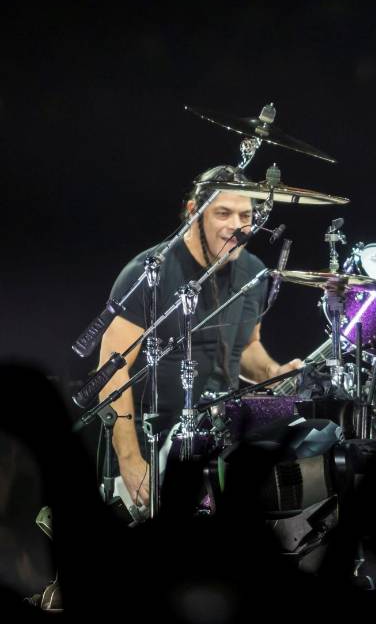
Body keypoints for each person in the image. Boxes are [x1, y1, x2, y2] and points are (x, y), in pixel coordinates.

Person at [97, 165, 303, 508]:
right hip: (155, 438)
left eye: (245, 215)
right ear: (194, 212)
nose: (237, 226)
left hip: (218, 438)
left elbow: (247, 346)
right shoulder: (148, 273)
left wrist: (272, 373)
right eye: (223, 213)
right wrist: (131, 461)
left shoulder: (253, 272)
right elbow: (110, 369)